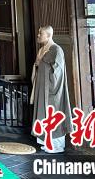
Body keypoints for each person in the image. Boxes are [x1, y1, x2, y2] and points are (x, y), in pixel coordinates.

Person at [30, 25, 72, 154]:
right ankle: (46, 142)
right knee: (43, 115)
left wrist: (50, 85)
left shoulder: (56, 49)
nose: (38, 36)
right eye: (38, 33)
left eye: (41, 34)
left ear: (48, 35)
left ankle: (56, 145)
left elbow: (58, 72)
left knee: (54, 115)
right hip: (42, 88)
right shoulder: (42, 49)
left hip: (52, 90)